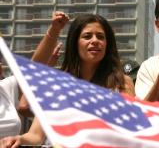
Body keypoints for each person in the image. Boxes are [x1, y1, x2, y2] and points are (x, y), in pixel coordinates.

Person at [1, 12, 135, 147]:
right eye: (87, 36)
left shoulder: (122, 83)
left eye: (100, 37)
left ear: (107, 44)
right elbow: (35, 135)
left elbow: (133, 130)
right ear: (75, 43)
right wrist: (19, 140)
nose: (95, 41)